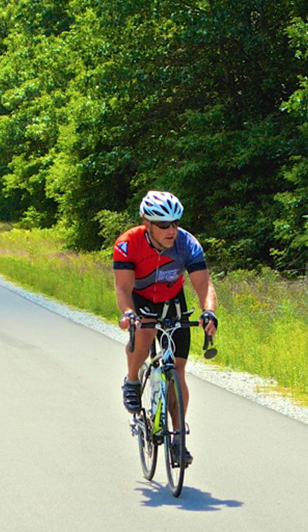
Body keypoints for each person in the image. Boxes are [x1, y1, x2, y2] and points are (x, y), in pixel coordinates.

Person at [113, 190, 218, 465]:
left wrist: (209, 312)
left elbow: (204, 285)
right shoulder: (127, 244)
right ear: (146, 223)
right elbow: (123, 289)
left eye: (175, 223)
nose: (171, 230)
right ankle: (133, 380)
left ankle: (178, 438)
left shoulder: (187, 244)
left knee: (178, 368)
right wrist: (128, 314)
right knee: (145, 335)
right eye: (163, 225)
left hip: (173, 300)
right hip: (142, 299)